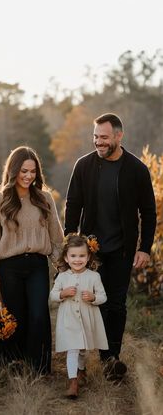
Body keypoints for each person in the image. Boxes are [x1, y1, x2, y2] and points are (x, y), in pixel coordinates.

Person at [64, 113, 156, 380]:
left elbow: (148, 213)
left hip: (122, 250)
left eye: (104, 137)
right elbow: (73, 205)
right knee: (96, 304)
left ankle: (111, 357)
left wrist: (144, 248)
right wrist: (71, 245)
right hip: (90, 251)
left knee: (116, 304)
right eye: (95, 137)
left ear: (118, 136)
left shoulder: (137, 170)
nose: (98, 142)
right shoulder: (84, 166)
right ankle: (103, 359)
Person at [0, 145, 63, 374]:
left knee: (38, 314)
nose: (28, 176)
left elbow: (56, 236)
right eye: (24, 171)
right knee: (14, 316)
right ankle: (14, 364)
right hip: (10, 267)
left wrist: (65, 268)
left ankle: (39, 367)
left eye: (33, 172)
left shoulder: (44, 198)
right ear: (13, 170)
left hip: (37, 264)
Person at [50, 233, 108, 398]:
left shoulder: (94, 276)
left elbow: (103, 297)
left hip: (86, 318)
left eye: (82, 256)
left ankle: (81, 370)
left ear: (88, 257)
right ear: (66, 258)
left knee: (83, 350)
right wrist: (63, 293)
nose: (77, 259)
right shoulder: (62, 277)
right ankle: (73, 382)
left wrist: (93, 297)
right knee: (73, 349)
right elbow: (52, 296)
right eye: (73, 256)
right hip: (69, 320)